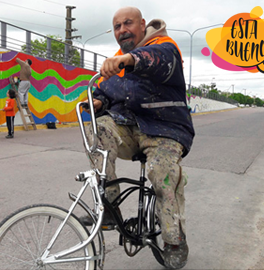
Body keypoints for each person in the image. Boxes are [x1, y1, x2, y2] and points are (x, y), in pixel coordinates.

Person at [82, 7, 195, 269]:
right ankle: (108, 207)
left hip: (165, 130)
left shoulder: (163, 47)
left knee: (161, 173)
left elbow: (156, 60)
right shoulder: (117, 61)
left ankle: (175, 240)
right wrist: (99, 101)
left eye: (128, 23)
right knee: (95, 131)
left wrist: (129, 60)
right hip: (128, 128)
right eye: (117, 26)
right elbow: (105, 91)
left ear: (142, 25)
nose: (122, 30)